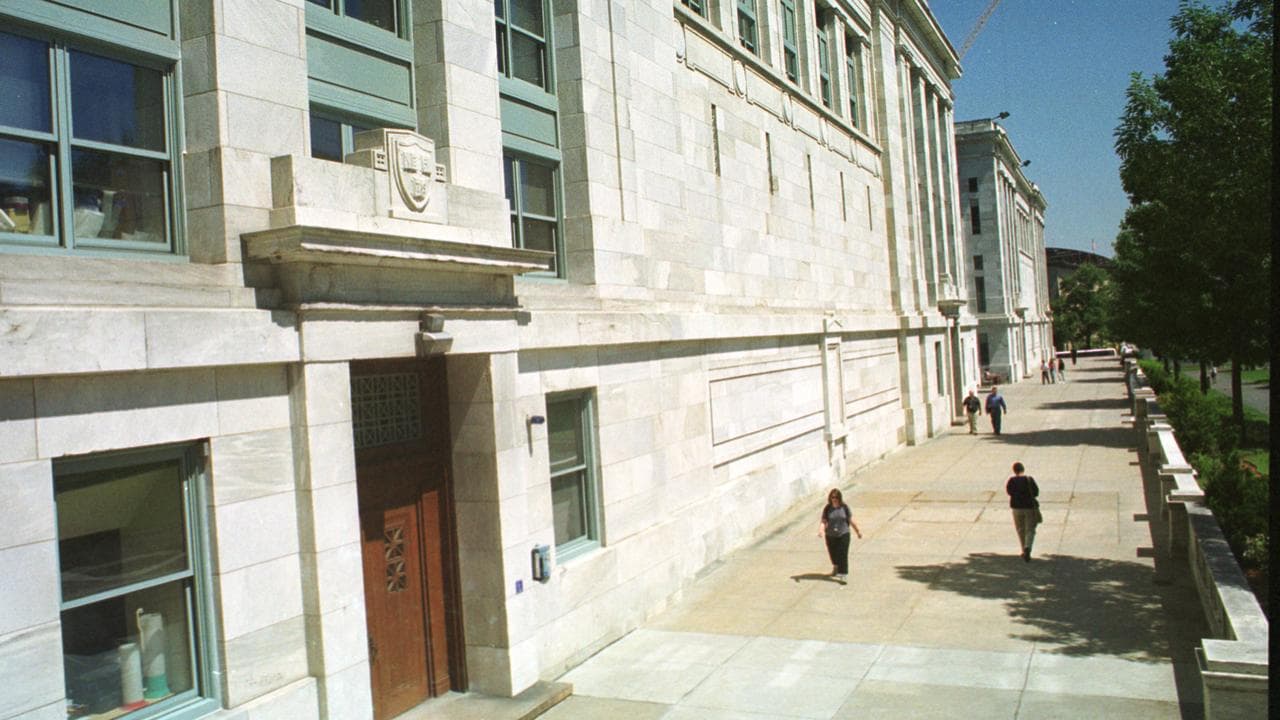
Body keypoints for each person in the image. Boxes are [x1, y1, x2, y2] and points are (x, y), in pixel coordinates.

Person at [818, 488, 861, 582]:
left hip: (844, 533)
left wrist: (857, 531)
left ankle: (843, 574)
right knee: (833, 553)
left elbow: (850, 520)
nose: (834, 499)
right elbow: (824, 521)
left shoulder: (844, 507)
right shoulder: (827, 508)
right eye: (832, 497)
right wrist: (821, 531)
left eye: (836, 497)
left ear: (839, 498)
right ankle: (836, 566)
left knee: (843, 553)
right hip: (830, 535)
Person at [1006, 462, 1040, 561]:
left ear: (1014, 470)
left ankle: (1023, 549)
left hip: (1016, 508)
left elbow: (1009, 492)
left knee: (1020, 529)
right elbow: (1036, 492)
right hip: (1029, 507)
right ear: (1023, 469)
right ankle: (1028, 546)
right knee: (1030, 529)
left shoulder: (1011, 481)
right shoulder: (1029, 480)